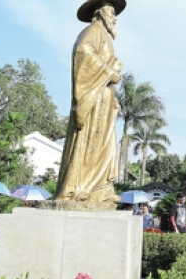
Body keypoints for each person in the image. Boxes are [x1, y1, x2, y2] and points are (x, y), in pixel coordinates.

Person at [54, 0, 126, 203]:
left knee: (103, 143)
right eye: (111, 12)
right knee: (88, 141)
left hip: (104, 99)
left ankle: (99, 189)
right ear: (100, 13)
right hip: (94, 100)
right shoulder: (93, 30)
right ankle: (78, 188)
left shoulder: (105, 36)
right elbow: (83, 52)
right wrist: (109, 71)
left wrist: (114, 98)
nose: (114, 17)